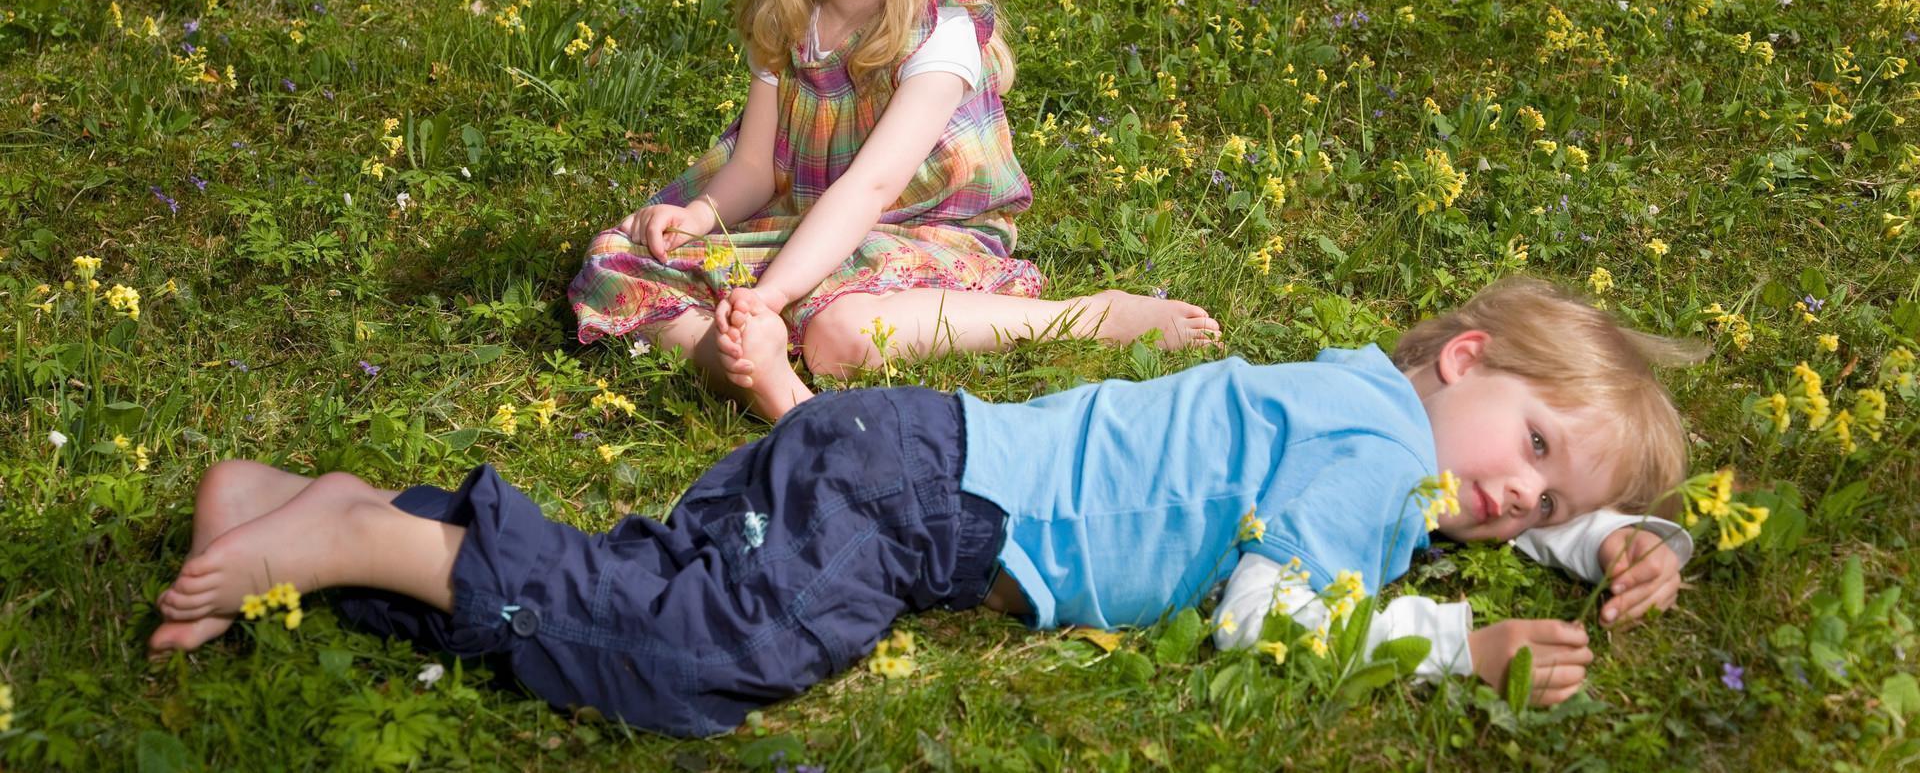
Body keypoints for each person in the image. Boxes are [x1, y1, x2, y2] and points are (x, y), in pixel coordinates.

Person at [148, 278, 1696, 736]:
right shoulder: (1370, 469)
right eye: (1540, 443)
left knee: (665, 580)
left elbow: (1459, 486)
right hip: (923, 512)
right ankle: (391, 541)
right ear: (1471, 357)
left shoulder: (1372, 397)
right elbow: (1273, 611)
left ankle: (312, 514)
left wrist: (1612, 538)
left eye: (1547, 498)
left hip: (900, 452)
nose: (1514, 492)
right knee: (701, 659)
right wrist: (1454, 645)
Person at [569, 0, 1217, 420]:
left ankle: (1082, 319)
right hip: (811, 230)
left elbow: (871, 190)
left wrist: (769, 295)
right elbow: (754, 167)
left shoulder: (940, 34)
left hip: (929, 239)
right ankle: (750, 363)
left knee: (841, 334)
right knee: (614, 259)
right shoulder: (786, 18)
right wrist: (703, 216)